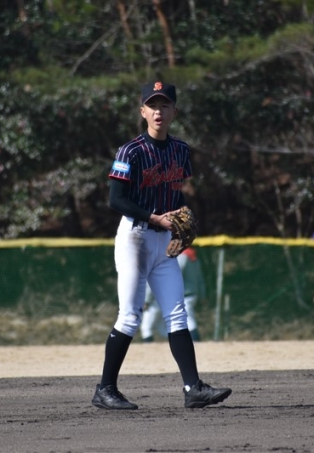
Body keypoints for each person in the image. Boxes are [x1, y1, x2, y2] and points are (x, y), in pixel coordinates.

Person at [92, 81, 232, 410]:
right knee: (130, 316)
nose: (158, 111)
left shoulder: (181, 150)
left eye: (165, 105)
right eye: (152, 105)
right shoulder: (130, 151)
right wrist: (155, 218)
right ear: (143, 111)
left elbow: (175, 192)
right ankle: (105, 389)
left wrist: (181, 223)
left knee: (177, 313)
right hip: (135, 237)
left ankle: (193, 388)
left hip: (164, 240)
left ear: (174, 112)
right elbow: (115, 200)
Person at [141, 247, 204, 342]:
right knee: (164, 326)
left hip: (181, 295)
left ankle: (195, 341)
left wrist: (148, 299)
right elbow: (200, 279)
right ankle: (185, 341)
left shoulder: (181, 256)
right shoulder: (193, 257)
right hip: (191, 294)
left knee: (187, 320)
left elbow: (171, 275)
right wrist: (202, 294)